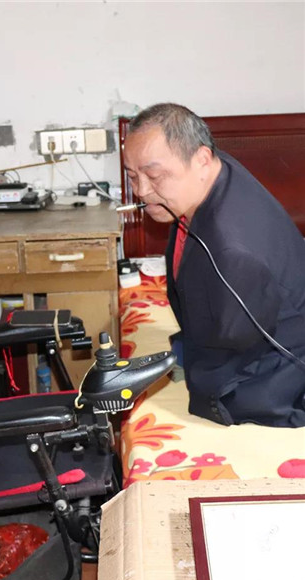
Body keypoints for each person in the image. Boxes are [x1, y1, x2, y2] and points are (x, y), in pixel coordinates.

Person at [123, 102, 305, 427]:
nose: (141, 191)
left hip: (275, 369)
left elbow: (230, 342)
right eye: (133, 176)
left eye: (154, 175)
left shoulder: (232, 251)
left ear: (202, 160)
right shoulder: (217, 174)